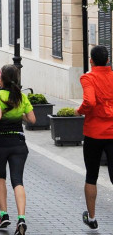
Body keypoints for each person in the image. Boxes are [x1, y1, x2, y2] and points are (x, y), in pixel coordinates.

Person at [0, 64, 35, 235]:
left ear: (1, 79)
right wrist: (18, 113)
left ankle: (4, 214)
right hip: (19, 143)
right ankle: (21, 218)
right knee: (18, 181)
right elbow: (32, 119)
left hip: (0, 142)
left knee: (0, 176)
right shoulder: (21, 97)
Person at [75, 45, 113, 231]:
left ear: (91, 60)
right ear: (108, 60)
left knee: (92, 176)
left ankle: (92, 218)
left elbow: (89, 101)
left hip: (94, 133)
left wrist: (79, 111)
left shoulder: (88, 78)